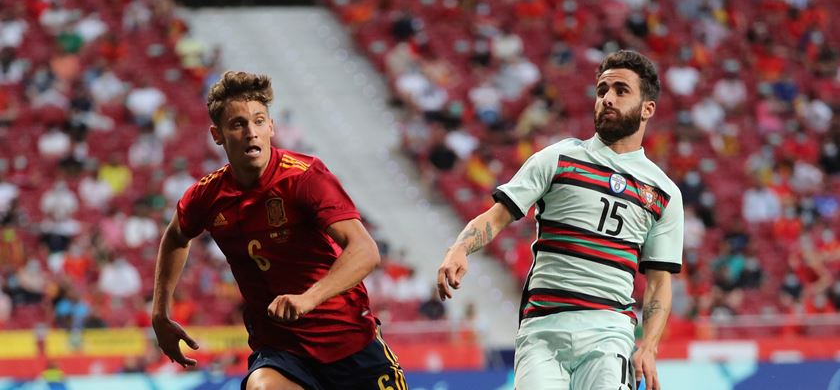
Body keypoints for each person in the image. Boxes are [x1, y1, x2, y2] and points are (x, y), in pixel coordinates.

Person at [437, 50, 683, 390]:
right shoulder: (559, 158)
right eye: (602, 90)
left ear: (647, 108)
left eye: (621, 90)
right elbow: (497, 215)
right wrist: (459, 248)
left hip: (609, 334)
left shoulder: (664, 192)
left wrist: (650, 346)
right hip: (542, 332)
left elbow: (659, 282)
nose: (608, 98)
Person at [152, 71, 407, 390]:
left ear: (271, 127)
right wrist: (159, 314)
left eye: (259, 121)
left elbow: (365, 251)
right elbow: (176, 237)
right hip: (282, 354)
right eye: (238, 124)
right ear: (217, 135)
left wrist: (307, 299)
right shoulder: (207, 196)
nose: (251, 133)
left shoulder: (304, 178)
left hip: (351, 344)